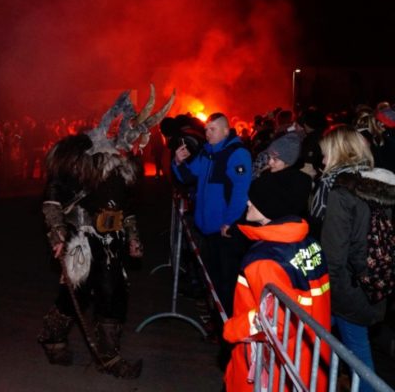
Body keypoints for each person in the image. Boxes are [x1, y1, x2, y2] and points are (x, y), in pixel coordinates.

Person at [38, 87, 174, 378]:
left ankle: (109, 355)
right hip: (81, 240)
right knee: (75, 294)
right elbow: (53, 198)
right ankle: (52, 336)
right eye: (133, 138)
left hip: (113, 242)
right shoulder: (83, 161)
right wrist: (57, 235)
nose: (137, 145)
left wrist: (133, 237)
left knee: (113, 293)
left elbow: (127, 209)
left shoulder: (127, 168)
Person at [223, 173, 331, 392]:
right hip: (308, 361)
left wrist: (232, 329)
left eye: (254, 199)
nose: (248, 202)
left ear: (271, 206)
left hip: (273, 369)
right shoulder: (309, 243)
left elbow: (276, 321)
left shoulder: (267, 259)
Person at [311, 125, 391, 392]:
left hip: (346, 288)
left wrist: (332, 292)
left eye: (325, 154)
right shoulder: (381, 185)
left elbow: (333, 255)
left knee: (358, 357)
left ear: (339, 153)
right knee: (330, 341)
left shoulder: (340, 192)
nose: (322, 161)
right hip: (375, 283)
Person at [173, 113, 252, 316]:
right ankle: (217, 320)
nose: (207, 133)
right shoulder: (207, 152)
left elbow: (240, 193)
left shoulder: (237, 154)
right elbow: (189, 176)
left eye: (212, 129)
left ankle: (229, 326)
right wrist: (179, 162)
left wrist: (229, 222)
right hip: (207, 229)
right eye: (206, 129)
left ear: (226, 131)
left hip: (225, 231)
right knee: (213, 279)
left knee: (227, 282)